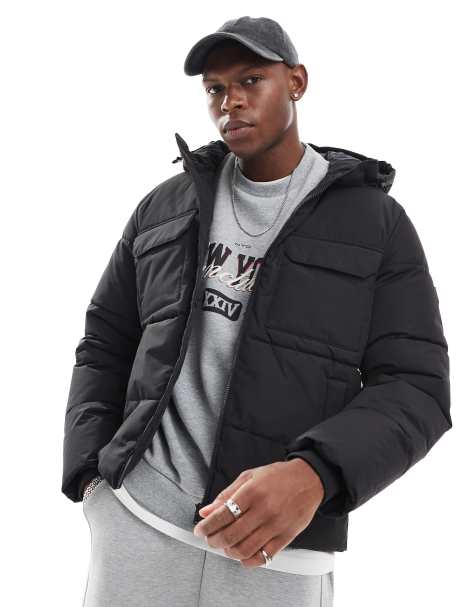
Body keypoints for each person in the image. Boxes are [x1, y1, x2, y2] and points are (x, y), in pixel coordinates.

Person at [62, 16, 452, 607]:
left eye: (251, 80)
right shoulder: (165, 207)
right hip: (139, 523)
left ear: (296, 82)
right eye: (215, 89)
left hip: (276, 547)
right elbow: (105, 342)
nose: (231, 101)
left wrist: (315, 474)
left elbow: (416, 386)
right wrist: (92, 478)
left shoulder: (376, 224)